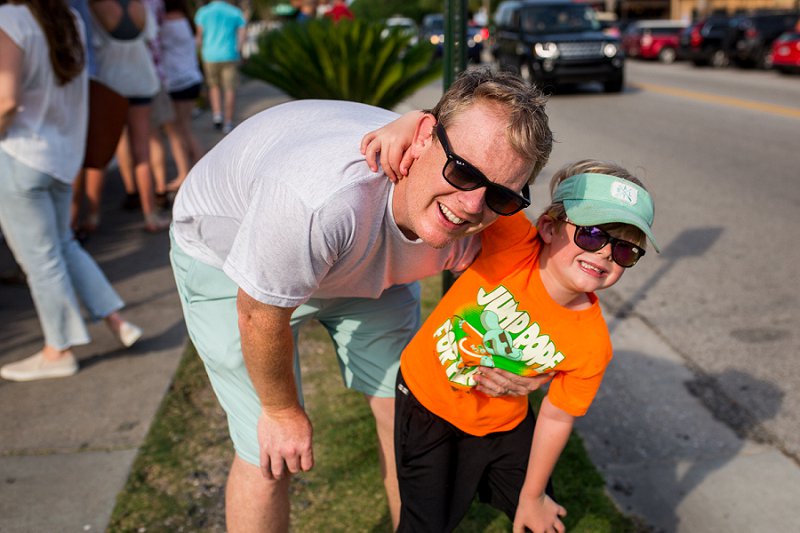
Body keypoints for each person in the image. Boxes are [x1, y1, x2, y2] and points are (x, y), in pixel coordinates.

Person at [170, 68, 553, 532]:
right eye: (463, 171)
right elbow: (257, 313)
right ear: (422, 140)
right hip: (229, 256)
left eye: (499, 195)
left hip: (366, 272)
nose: (472, 206)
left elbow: (541, 294)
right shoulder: (316, 201)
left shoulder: (489, 220)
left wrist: (513, 360)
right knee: (267, 450)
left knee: (405, 416)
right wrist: (281, 411)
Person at [373, 149, 659, 530]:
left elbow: (556, 419)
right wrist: (412, 124)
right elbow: (470, 163)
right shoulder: (513, 242)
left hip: (505, 424)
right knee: (426, 523)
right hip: (428, 406)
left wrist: (533, 495)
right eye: (592, 234)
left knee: (540, 518)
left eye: (624, 249)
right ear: (549, 226)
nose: (606, 253)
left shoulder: (592, 344)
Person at [0, 0, 142, 382]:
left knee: (40, 259)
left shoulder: (10, 20)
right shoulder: (71, 20)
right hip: (64, 156)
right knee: (63, 244)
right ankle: (117, 321)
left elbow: (7, 100)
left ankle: (58, 350)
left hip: (19, 153)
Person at [89, 0, 170, 232]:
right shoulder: (140, 5)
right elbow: (151, 35)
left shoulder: (95, 6)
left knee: (100, 154)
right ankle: (151, 215)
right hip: (142, 80)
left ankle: (91, 217)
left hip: (110, 82)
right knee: (142, 153)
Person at [161, 0, 204, 192]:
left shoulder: (164, 23)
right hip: (192, 78)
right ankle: (200, 169)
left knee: (177, 131)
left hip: (176, 82)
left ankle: (185, 173)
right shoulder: (186, 20)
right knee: (185, 128)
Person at [194, 0, 246, 134]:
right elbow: (242, 34)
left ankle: (217, 115)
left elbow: (199, 38)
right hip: (229, 54)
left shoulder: (203, 12)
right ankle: (228, 122)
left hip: (209, 55)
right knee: (230, 89)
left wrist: (199, 53)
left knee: (214, 86)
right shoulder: (234, 12)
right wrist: (240, 50)